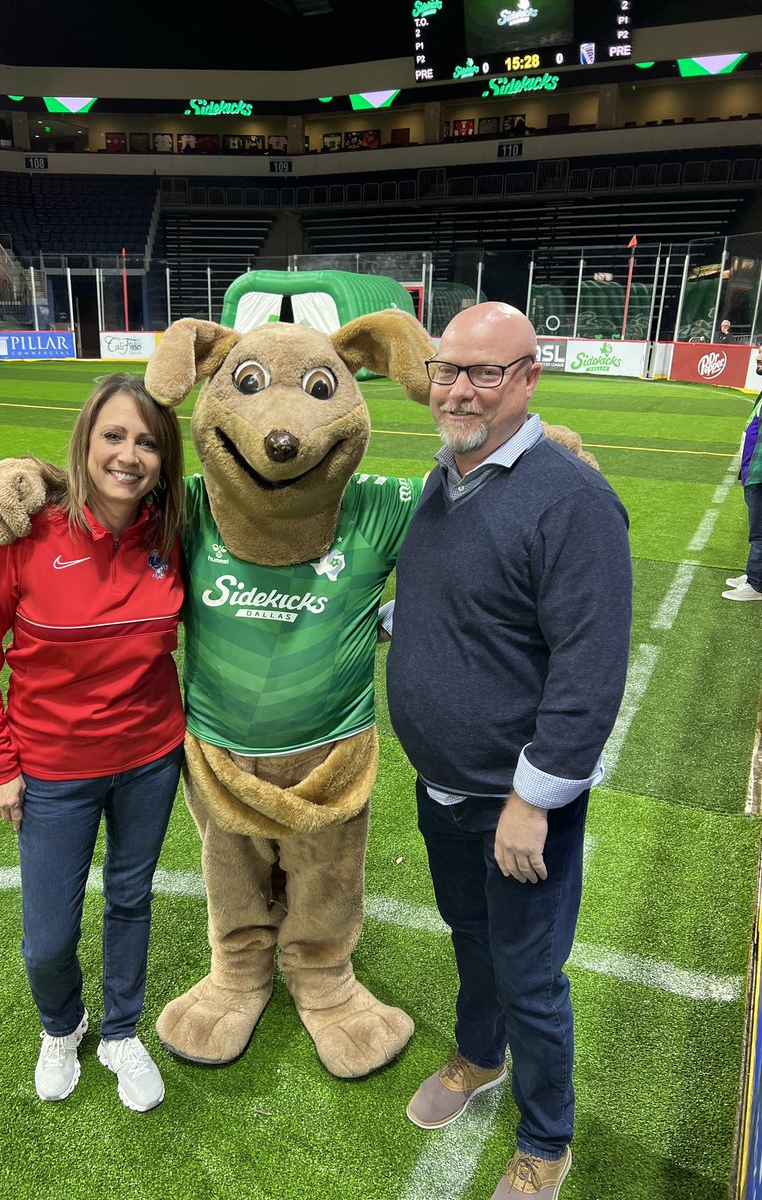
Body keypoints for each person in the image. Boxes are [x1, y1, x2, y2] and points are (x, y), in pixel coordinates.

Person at [384, 302, 633, 1199]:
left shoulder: (573, 501)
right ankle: (480, 1055)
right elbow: (462, 602)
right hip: (441, 784)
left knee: (530, 975)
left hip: (516, 802)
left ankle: (546, 1139)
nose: (459, 389)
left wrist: (533, 801)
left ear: (527, 378)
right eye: (447, 370)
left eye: (484, 373)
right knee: (470, 937)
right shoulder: (442, 478)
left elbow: (590, 669)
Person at [0, 373, 186, 1111]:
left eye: (147, 442)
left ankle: (120, 1032)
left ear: (165, 458)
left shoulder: (174, 532)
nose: (129, 455)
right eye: (113, 435)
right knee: (48, 937)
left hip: (151, 757)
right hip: (53, 769)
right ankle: (62, 1026)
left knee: (130, 897)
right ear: (85, 441)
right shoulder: (25, 533)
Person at [722, 347, 762, 601]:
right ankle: (754, 575)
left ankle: (756, 584)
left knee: (759, 532)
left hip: (760, 474)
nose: (758, 357)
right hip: (753, 472)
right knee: (757, 530)